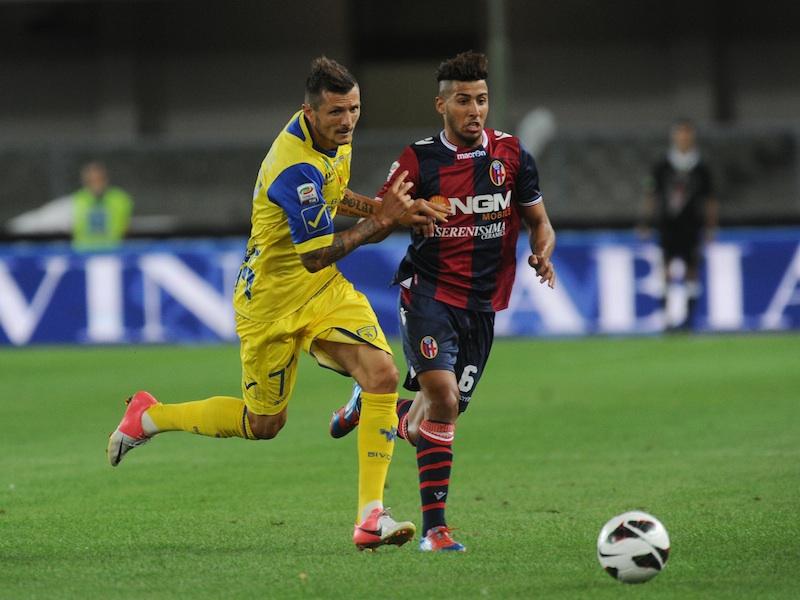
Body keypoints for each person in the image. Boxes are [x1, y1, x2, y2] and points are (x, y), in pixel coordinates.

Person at [107, 56, 446, 550]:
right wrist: (384, 220)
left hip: (321, 290)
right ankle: (150, 416)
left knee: (382, 374)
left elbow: (331, 196)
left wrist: (385, 208)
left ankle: (371, 517)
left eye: (353, 109)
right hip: (268, 302)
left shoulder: (330, 141)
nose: (347, 120)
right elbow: (315, 252)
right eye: (336, 112)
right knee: (263, 424)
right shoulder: (293, 167)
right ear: (308, 113)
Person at [329, 51, 557, 552]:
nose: (475, 110)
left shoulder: (513, 155)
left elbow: (540, 221)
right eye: (463, 100)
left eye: (481, 100)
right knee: (445, 401)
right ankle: (436, 530)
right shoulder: (419, 159)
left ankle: (374, 404)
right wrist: (408, 211)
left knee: (438, 414)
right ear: (441, 105)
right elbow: (382, 212)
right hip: (428, 291)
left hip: (482, 306)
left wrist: (543, 251)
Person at [640, 119, 718, 330]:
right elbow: (652, 195)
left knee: (692, 270)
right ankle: (666, 317)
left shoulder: (701, 167)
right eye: (680, 134)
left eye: (687, 134)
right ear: (674, 137)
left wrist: (711, 228)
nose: (683, 138)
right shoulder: (662, 165)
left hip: (692, 225)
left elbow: (709, 200)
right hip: (667, 225)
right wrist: (646, 222)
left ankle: (689, 320)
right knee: (665, 270)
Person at [72, 161, 133, 251]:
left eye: (99, 179)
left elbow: (126, 228)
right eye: (91, 181)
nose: (96, 184)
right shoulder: (78, 200)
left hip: (113, 251)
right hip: (85, 252)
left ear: (106, 179)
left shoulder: (120, 199)